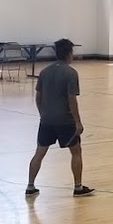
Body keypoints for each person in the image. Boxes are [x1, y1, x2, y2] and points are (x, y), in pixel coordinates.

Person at [26, 38, 93, 197]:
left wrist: (43, 114)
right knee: (76, 152)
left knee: (39, 153)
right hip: (65, 121)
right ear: (69, 53)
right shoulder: (71, 73)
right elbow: (72, 100)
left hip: (47, 121)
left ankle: (30, 186)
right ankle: (78, 187)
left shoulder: (44, 72)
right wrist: (77, 121)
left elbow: (38, 97)